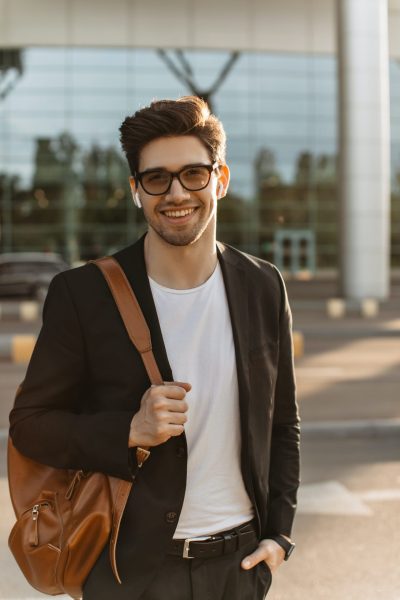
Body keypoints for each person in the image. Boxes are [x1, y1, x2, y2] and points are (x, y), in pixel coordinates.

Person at [9, 96, 300, 600]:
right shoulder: (83, 294)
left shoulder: (263, 285)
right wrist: (129, 429)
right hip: (131, 575)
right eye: (156, 178)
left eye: (193, 173)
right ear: (135, 191)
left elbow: (282, 423)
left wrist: (279, 535)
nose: (176, 193)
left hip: (239, 568)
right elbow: (29, 427)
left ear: (221, 179)